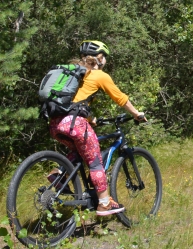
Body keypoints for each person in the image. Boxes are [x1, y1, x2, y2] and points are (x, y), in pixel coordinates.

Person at [48, 40, 146, 216]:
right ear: (99, 58)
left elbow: (73, 102)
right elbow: (120, 98)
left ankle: (59, 173)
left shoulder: (75, 75)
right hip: (75, 123)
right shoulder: (99, 75)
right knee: (95, 162)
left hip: (56, 122)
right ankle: (104, 203)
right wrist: (136, 114)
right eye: (105, 57)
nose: (106, 61)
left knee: (79, 151)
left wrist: (91, 118)